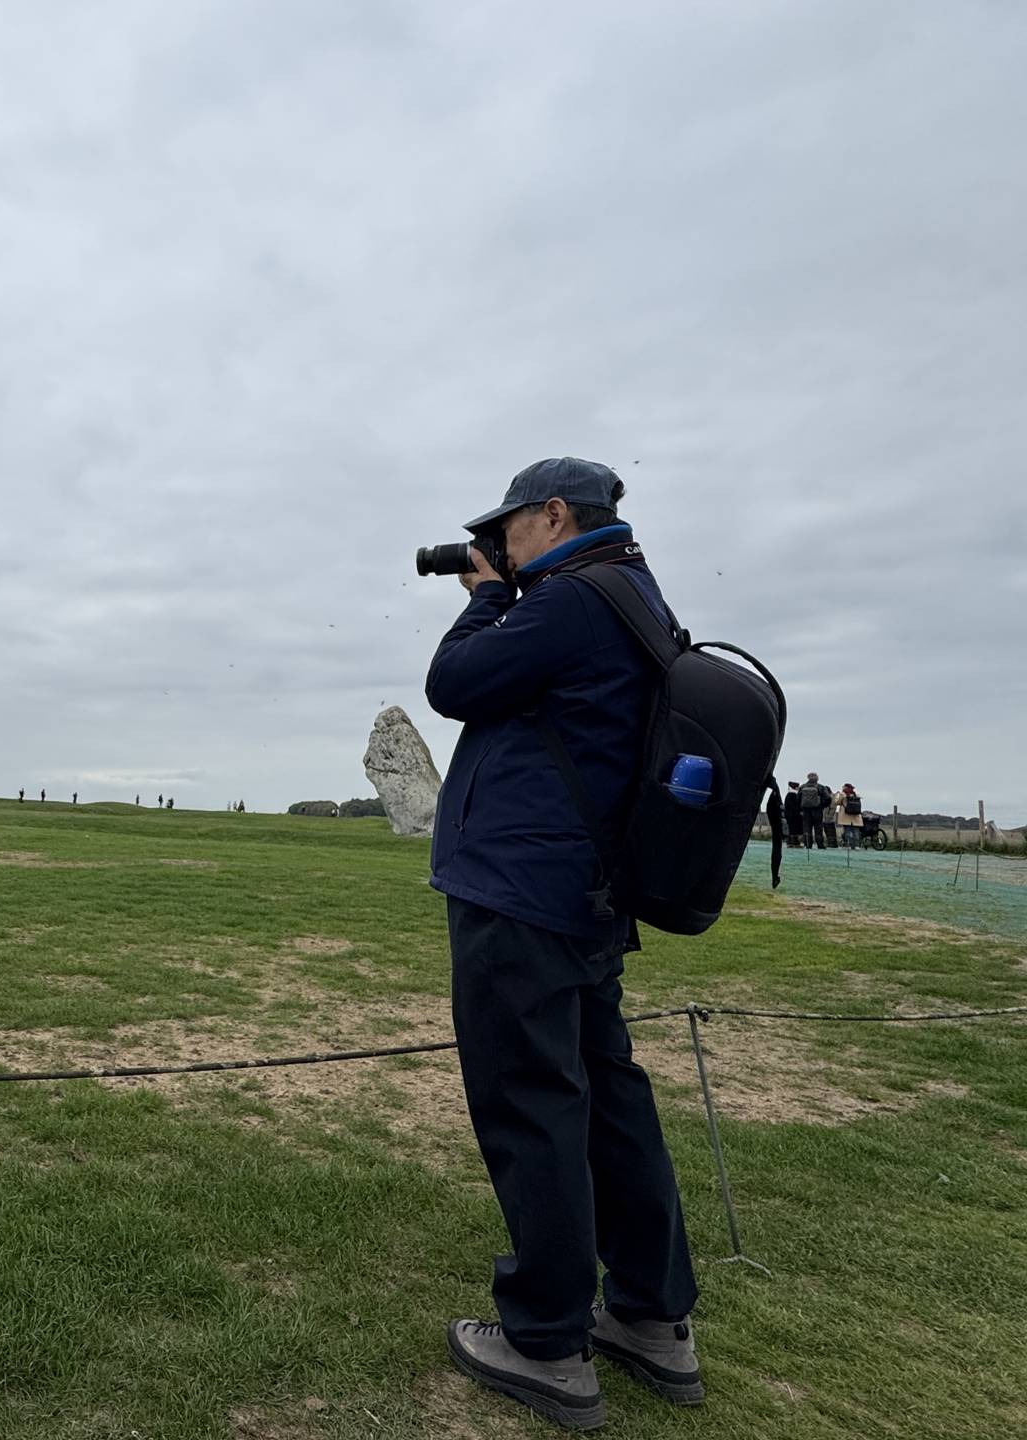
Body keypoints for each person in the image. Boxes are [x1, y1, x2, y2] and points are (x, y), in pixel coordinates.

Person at [425, 458, 701, 1429]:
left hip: (522, 894)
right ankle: (652, 1314)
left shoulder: (570, 598)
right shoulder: (638, 597)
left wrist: (484, 599)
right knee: (610, 1098)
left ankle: (546, 1340)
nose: (501, 547)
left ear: (553, 514)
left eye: (511, 529)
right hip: (584, 892)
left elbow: (453, 685)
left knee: (532, 1101)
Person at [803, 772, 829, 848]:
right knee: (818, 828)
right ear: (817, 779)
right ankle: (820, 844)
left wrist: (801, 808)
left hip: (806, 811)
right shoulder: (821, 787)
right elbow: (828, 798)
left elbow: (798, 799)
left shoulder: (803, 787)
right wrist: (822, 806)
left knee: (807, 828)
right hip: (817, 810)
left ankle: (807, 844)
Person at [837, 783, 864, 848]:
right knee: (856, 831)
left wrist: (838, 795)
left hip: (846, 815)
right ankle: (857, 845)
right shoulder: (856, 795)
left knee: (847, 831)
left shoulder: (843, 794)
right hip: (856, 815)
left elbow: (837, 802)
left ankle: (848, 845)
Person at [784, 781, 804, 848]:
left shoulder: (788, 795)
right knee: (795, 829)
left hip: (789, 815)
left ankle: (790, 842)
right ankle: (794, 843)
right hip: (795, 815)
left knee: (791, 829)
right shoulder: (794, 795)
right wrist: (800, 811)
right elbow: (796, 806)